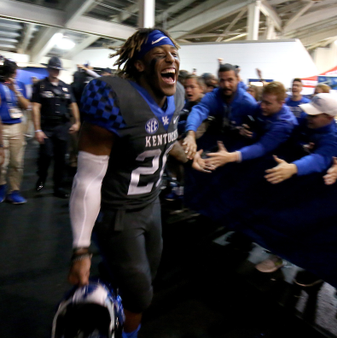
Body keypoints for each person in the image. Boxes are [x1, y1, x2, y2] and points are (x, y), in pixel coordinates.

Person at [67, 28, 206, 338]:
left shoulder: (176, 95)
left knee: (146, 278)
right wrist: (80, 250)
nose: (171, 60)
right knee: (141, 295)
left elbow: (163, 141)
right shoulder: (113, 98)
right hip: (119, 212)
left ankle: (110, 289)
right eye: (160, 55)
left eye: (173, 54)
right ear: (140, 64)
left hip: (151, 205)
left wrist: (187, 156)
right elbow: (88, 178)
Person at [205, 81, 297, 168]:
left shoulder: (285, 123)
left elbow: (262, 147)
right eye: (262, 101)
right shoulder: (261, 108)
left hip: (275, 156)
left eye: (268, 103)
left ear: (281, 103)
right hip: (256, 146)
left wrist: (230, 157)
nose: (262, 106)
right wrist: (243, 129)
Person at [183, 63, 258, 159]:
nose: (226, 85)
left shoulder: (247, 102)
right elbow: (198, 111)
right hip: (218, 141)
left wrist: (251, 133)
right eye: (222, 80)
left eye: (230, 80)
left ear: (237, 80)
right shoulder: (213, 97)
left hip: (239, 146)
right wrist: (190, 133)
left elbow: (261, 124)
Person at [265, 93, 337, 184]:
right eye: (308, 113)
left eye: (313, 116)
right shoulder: (306, 120)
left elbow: (318, 159)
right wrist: (302, 146)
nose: (308, 117)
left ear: (329, 117)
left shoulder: (334, 139)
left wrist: (294, 168)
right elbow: (293, 138)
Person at [31, 56, 80, 198]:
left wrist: (76, 122)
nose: (55, 71)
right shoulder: (40, 86)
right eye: (53, 69)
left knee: (61, 159)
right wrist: (37, 129)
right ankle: (42, 177)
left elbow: (73, 104)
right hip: (46, 126)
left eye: (57, 69)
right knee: (46, 155)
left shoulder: (65, 86)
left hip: (62, 126)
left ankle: (58, 187)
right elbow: (35, 107)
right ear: (48, 69)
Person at [0, 59, 30, 204]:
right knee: (1, 162)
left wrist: (16, 91)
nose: (15, 75)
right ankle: (1, 187)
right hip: (2, 126)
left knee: (17, 162)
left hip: (17, 127)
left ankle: (14, 191)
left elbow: (26, 106)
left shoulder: (20, 86)